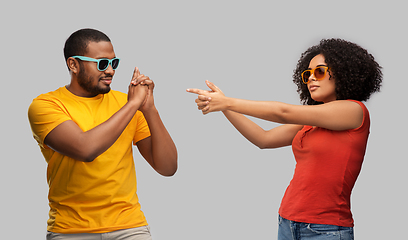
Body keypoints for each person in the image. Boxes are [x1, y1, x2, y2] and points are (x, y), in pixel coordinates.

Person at [187, 38, 382, 240]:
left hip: (326, 230)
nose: (311, 79)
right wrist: (223, 106)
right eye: (308, 74)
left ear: (342, 72)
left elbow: (284, 112)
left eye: (320, 71)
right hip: (287, 222)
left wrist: (228, 102)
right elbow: (264, 138)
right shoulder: (312, 119)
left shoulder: (355, 111)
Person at [28, 28, 178, 240]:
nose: (110, 71)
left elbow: (167, 167)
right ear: (73, 64)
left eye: (114, 63)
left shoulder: (125, 104)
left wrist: (149, 109)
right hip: (71, 230)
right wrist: (133, 104)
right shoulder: (46, 105)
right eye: (101, 63)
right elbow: (86, 149)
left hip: (130, 227)